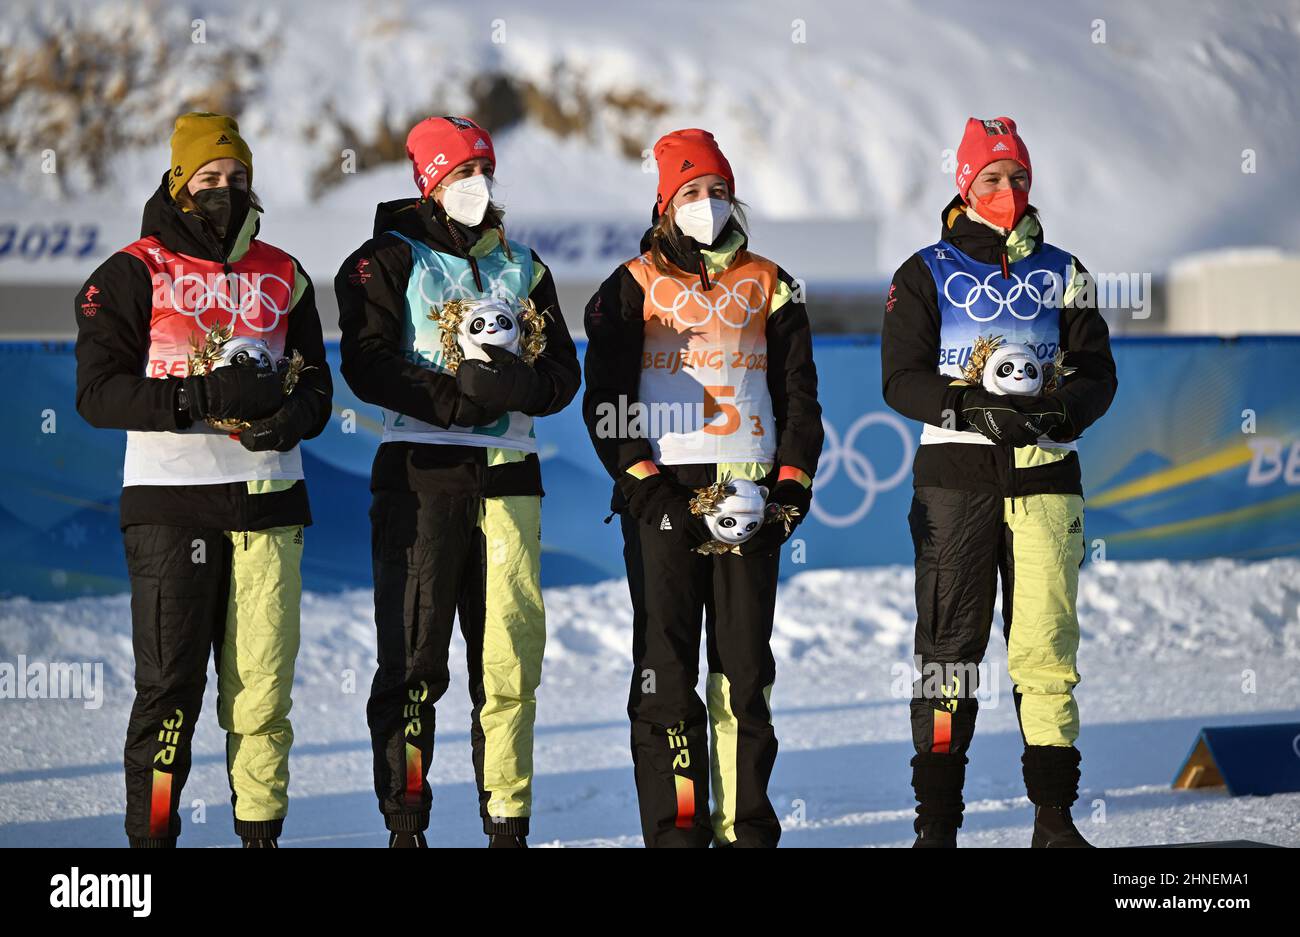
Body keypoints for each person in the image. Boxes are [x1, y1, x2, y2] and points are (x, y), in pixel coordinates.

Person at [74, 112, 333, 848]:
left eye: (239, 178)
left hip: (270, 505)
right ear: (179, 182)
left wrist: (290, 421)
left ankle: (260, 838)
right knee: (170, 692)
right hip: (170, 507)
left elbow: (316, 386)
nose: (226, 190)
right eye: (210, 178)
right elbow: (96, 394)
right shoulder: (133, 270)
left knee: (262, 696)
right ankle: (152, 847)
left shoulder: (285, 273)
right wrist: (196, 398)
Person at [335, 116, 580, 848]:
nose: (475, 186)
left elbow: (563, 374)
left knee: (508, 659)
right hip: (420, 472)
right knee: (413, 659)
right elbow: (366, 361)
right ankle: (406, 822)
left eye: (483, 173)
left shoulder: (525, 266)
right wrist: (454, 399)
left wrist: (519, 384)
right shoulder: (382, 260)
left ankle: (507, 822)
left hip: (509, 476)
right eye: (459, 175)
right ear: (428, 184)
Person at [881, 116, 1117, 847]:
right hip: (955, 483)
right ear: (965, 185)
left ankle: (1053, 817)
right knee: (948, 650)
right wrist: (963, 405)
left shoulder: (1065, 270)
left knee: (1046, 645)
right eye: (992, 177)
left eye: (1018, 177)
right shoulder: (925, 271)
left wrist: (1058, 407)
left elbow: (1098, 374)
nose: (1007, 190)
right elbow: (900, 378)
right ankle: (939, 824)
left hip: (1047, 482)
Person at [582, 129, 822, 847]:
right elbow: (605, 398)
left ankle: (746, 829)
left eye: (718, 190)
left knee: (745, 673)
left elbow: (800, 396)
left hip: (749, 496)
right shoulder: (629, 284)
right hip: (664, 500)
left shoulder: (773, 281)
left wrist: (790, 491)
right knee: (666, 672)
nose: (707, 203)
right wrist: (648, 490)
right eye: (691, 192)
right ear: (664, 205)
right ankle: (679, 830)